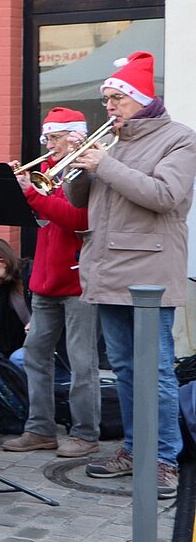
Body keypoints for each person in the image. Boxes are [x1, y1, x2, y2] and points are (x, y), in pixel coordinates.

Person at [65, 52, 196, 498]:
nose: (110, 107)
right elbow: (83, 201)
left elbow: (165, 195)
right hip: (108, 269)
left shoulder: (180, 139)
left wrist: (104, 164)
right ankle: (134, 449)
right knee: (123, 368)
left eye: (116, 98)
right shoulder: (115, 144)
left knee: (155, 371)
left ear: (142, 100)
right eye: (106, 100)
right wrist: (78, 168)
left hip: (148, 274)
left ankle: (163, 460)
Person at [3, 107, 100, 459]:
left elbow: (78, 218)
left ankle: (86, 433)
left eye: (56, 138)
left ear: (75, 136)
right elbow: (39, 217)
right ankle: (40, 428)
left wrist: (33, 196)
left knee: (81, 363)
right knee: (35, 356)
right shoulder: (47, 172)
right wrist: (18, 192)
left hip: (78, 280)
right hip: (45, 279)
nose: (49, 144)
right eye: (47, 138)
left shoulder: (85, 172)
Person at [0, 238, 30, 360]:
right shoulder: (5, 290)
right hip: (28, 343)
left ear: (2, 262)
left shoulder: (32, 275)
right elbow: (3, 333)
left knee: (17, 359)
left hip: (51, 344)